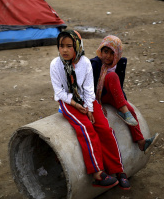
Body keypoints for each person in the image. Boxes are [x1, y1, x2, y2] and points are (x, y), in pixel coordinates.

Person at [50, 30, 131, 190]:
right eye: (61, 46)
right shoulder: (56, 64)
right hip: (68, 101)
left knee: (105, 129)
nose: (64, 50)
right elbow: (59, 92)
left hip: (88, 101)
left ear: (78, 46)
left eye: (69, 46)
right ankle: (97, 174)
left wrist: (89, 108)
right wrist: (75, 104)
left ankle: (118, 171)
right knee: (86, 128)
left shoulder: (85, 63)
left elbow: (88, 89)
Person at [90, 35, 159, 153]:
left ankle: (141, 142)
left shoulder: (120, 64)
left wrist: (124, 103)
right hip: (97, 96)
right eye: (105, 51)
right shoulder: (94, 63)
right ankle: (124, 111)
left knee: (130, 110)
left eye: (112, 53)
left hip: (110, 95)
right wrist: (96, 104)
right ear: (101, 50)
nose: (108, 56)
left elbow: (119, 87)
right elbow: (88, 87)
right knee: (112, 76)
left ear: (117, 55)